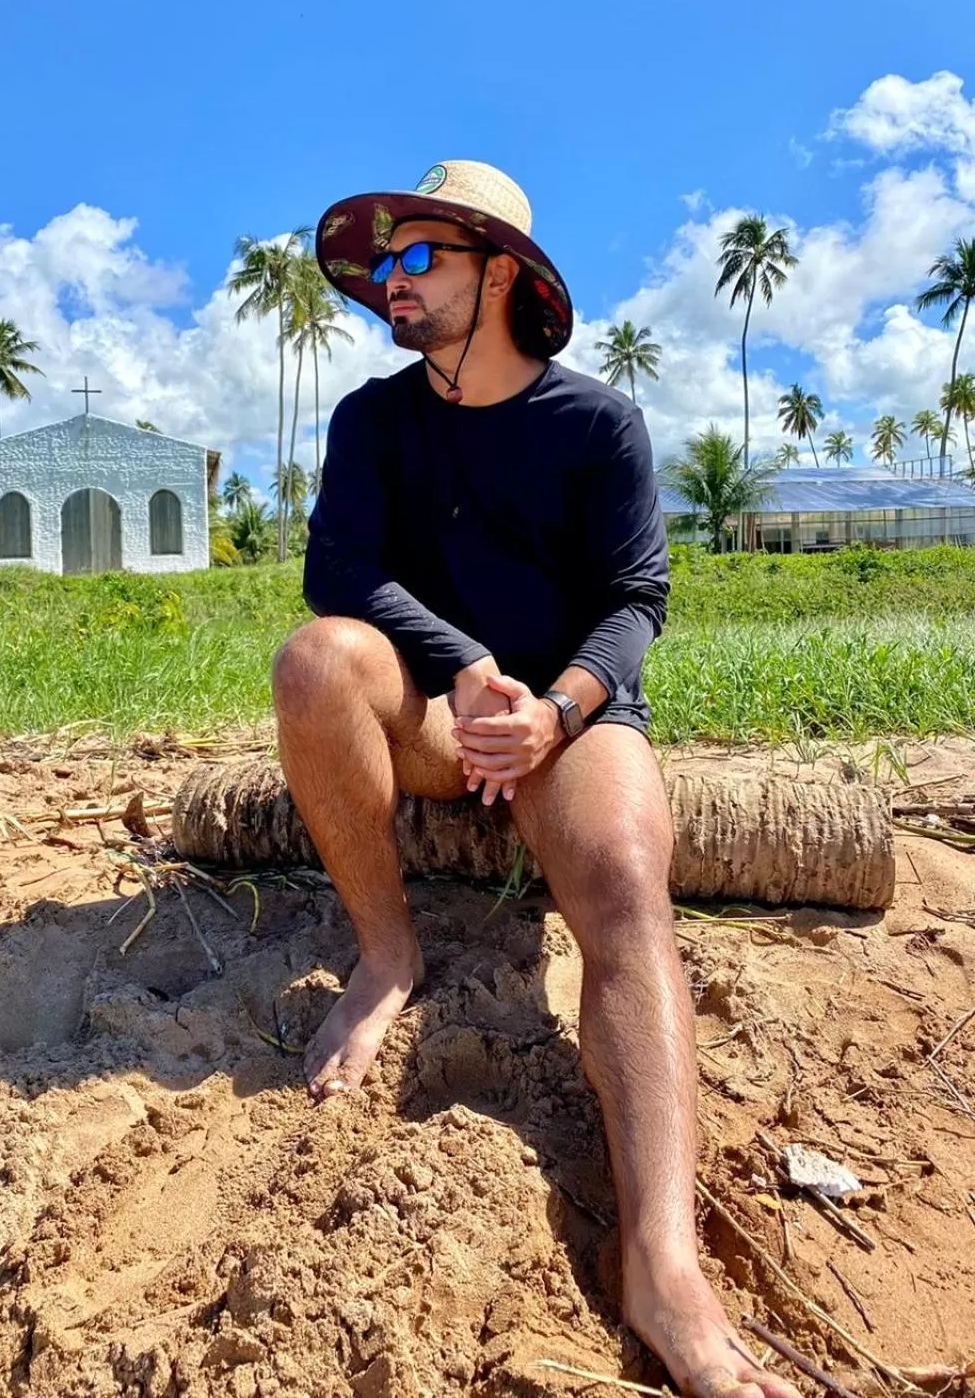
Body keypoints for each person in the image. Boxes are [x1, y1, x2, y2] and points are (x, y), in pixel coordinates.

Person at [272, 161, 797, 1398]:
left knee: (621, 880)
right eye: (383, 266)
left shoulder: (596, 426)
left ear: (499, 271)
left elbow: (637, 600)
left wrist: (556, 710)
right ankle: (389, 953)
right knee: (314, 663)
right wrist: (464, 669)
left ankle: (662, 1262)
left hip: (569, 716)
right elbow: (336, 569)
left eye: (420, 261)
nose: (392, 283)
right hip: (439, 715)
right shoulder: (371, 420)